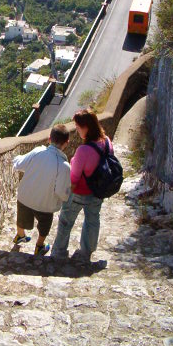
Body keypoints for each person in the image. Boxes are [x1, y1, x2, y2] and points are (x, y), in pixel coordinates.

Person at [51, 109, 113, 263]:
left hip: (80, 192)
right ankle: (86, 252)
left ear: (86, 127)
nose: (77, 130)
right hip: (98, 191)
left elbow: (74, 177)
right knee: (92, 220)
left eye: (78, 127)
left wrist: (64, 195)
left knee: (66, 221)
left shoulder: (83, 150)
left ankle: (59, 252)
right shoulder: (106, 142)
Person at [12, 124, 71, 256]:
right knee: (45, 224)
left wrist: (15, 159)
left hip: (25, 197)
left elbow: (20, 164)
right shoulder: (64, 166)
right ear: (66, 142)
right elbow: (62, 192)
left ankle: (20, 235)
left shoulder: (37, 151)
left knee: (22, 216)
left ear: (49, 139)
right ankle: (40, 246)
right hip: (45, 203)